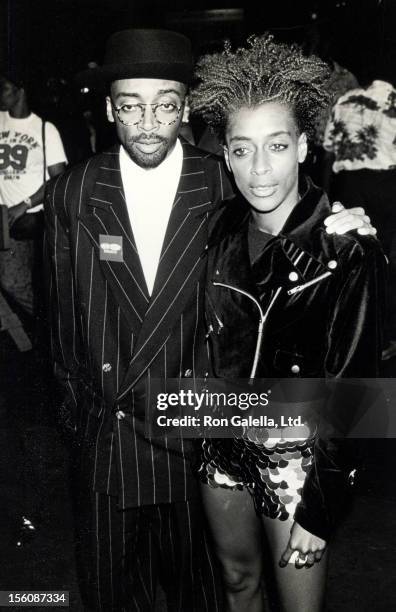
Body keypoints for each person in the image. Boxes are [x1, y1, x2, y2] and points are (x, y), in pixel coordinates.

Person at [45, 29, 376, 612]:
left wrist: (351, 222)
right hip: (160, 435)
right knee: (171, 588)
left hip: (244, 438)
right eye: (129, 106)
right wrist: (80, 417)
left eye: (166, 105)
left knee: (229, 591)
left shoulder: (252, 197)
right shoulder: (88, 192)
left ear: (186, 108)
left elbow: (363, 391)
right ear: (108, 109)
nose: (148, 122)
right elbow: (63, 320)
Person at [190, 34, 385, 611]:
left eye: (276, 145)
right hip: (221, 435)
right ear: (225, 154)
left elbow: (358, 396)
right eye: (242, 149)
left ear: (303, 146)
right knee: (236, 583)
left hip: (299, 457)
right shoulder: (219, 229)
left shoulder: (349, 249)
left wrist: (320, 511)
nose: (259, 169)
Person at [322, 79, 396, 360]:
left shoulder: (344, 100)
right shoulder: (393, 99)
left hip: (352, 183)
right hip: (388, 183)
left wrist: (327, 194)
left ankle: (353, 337)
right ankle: (383, 337)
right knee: (383, 259)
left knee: (354, 259)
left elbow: (329, 151)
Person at [0, 73, 67, 319]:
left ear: (21, 90)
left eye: (5, 88)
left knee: (14, 283)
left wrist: (22, 206)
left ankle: (43, 329)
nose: (1, 94)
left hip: (26, 219)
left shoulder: (44, 130)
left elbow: (58, 180)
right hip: (3, 216)